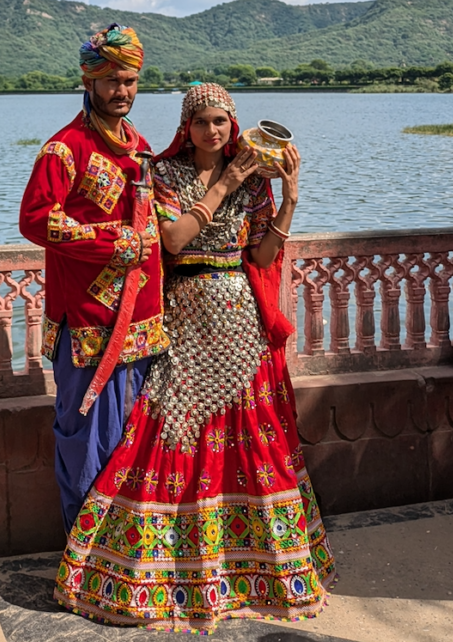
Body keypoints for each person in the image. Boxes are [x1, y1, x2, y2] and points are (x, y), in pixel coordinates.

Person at [55, 84, 334, 632]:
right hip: (184, 314)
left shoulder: (257, 184)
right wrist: (226, 182)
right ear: (188, 126)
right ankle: (158, 570)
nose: (215, 131)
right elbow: (175, 242)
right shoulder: (165, 176)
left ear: (235, 126)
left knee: (250, 437)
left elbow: (261, 254)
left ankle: (253, 569)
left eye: (223, 122)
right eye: (204, 122)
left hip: (238, 321)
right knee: (171, 431)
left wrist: (291, 197)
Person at [18, 24, 168, 530]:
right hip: (88, 324)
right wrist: (118, 243)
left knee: (136, 444)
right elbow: (36, 220)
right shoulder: (65, 149)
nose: (121, 91)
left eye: (129, 80)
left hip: (142, 323)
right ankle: (83, 562)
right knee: (85, 443)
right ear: (89, 82)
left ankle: (126, 559)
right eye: (110, 82)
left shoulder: (139, 146)